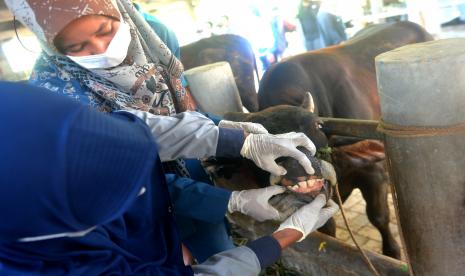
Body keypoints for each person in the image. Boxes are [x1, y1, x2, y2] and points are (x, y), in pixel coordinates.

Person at [5, 0, 321, 263]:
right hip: (137, 217)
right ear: (53, 46)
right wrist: (232, 202)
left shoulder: (153, 36)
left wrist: (236, 136)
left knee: (214, 242)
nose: (102, 48)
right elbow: (127, 173)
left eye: (106, 30)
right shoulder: (55, 96)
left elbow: (174, 114)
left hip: (194, 184)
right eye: (77, 47)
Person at [0, 81, 339, 275]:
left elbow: (134, 127)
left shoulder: (21, 113)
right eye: (125, 195)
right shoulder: (61, 266)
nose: (144, 187)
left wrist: (242, 142)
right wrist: (282, 237)